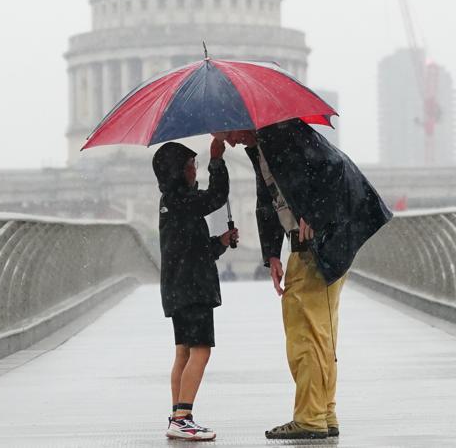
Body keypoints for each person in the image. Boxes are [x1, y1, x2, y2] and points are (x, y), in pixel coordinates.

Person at [224, 120, 392, 441]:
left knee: (307, 332)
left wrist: (314, 216)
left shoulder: (282, 132)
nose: (229, 142)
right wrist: (272, 253)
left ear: (241, 120)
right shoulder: (262, 145)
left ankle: (311, 417)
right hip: (308, 246)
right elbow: (268, 201)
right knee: (317, 330)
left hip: (323, 244)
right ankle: (323, 412)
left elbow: (333, 167)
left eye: (227, 132)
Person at [153, 135, 239, 442]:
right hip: (193, 289)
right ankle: (183, 417)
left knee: (183, 352)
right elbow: (216, 196)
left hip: (178, 288)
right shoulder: (181, 200)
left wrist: (221, 243)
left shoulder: (172, 203)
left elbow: (194, 248)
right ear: (177, 171)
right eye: (191, 166)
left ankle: (177, 415)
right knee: (201, 351)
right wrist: (217, 161)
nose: (194, 171)